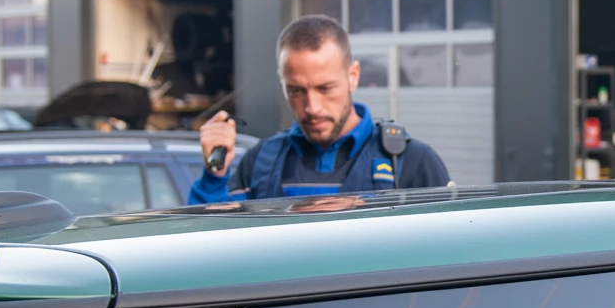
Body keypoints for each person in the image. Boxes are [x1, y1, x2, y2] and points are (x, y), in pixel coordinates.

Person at [191, 15, 449, 203]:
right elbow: (207, 249)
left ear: (353, 76)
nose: (312, 107)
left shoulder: (412, 163)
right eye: (296, 91)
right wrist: (215, 176)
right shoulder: (260, 163)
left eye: (325, 88)